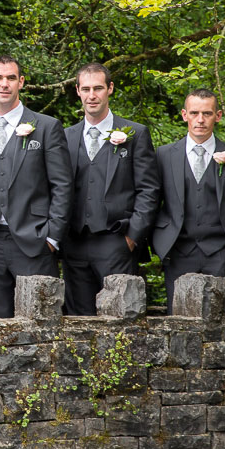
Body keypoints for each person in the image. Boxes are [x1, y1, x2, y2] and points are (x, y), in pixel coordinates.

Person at [0, 55, 72, 318]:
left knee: (40, 321)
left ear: (21, 82)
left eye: (11, 78)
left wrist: (51, 237)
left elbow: (63, 185)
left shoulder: (46, 127)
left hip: (34, 241)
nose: (4, 84)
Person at [152, 88, 225, 313]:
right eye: (194, 113)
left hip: (223, 253)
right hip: (178, 253)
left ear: (218, 115)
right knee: (180, 325)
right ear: (184, 115)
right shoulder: (163, 155)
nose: (200, 120)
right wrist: (159, 242)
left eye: (207, 113)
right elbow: (151, 202)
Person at [62, 63, 161, 315]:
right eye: (86, 89)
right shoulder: (65, 137)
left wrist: (131, 238)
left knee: (120, 320)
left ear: (110, 89)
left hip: (116, 241)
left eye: (98, 88)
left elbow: (149, 189)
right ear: (78, 91)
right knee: (77, 323)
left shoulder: (135, 134)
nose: (92, 95)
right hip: (74, 243)